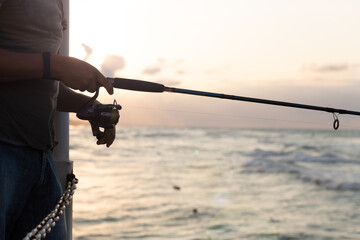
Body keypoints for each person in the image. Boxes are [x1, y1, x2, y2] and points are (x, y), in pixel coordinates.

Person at [0, 0, 116, 239]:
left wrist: (90, 107)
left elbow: (44, 80)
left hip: (41, 159)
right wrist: (57, 65)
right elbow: (50, 68)